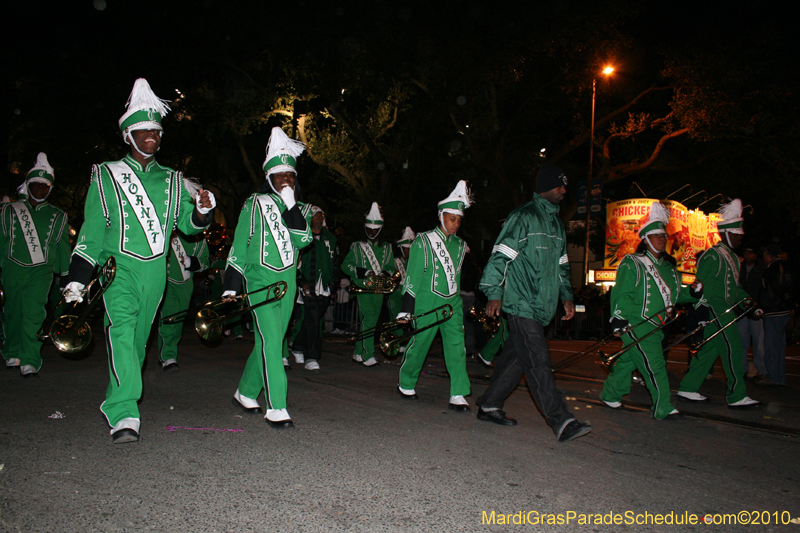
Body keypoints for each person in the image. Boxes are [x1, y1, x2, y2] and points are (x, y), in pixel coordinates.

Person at [64, 79, 216, 444]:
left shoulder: (174, 179)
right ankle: (124, 411)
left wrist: (202, 212)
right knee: (120, 333)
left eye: (156, 131)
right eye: (143, 131)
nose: (152, 136)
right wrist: (78, 278)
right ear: (127, 135)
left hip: (156, 274)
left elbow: (187, 227)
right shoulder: (105, 174)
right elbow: (93, 230)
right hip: (119, 270)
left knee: (135, 342)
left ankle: (122, 395)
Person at [476, 163, 591, 442]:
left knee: (517, 359)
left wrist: (566, 297)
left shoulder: (556, 224)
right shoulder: (523, 217)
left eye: (566, 185)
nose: (564, 190)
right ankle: (561, 421)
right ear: (544, 187)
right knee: (538, 360)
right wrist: (494, 291)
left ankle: (489, 404)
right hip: (520, 302)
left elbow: (562, 266)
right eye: (559, 184)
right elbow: (500, 256)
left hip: (542, 306)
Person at [223, 126, 312, 429]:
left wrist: (290, 204)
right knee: (273, 343)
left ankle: (245, 391)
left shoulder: (297, 210)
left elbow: (304, 240)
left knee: (267, 341)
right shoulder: (254, 204)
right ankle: (277, 406)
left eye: (290, 176)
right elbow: (239, 247)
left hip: (287, 285)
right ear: (269, 179)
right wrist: (231, 287)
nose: (286, 180)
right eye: (280, 176)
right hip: (260, 283)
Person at [599, 203, 698, 419]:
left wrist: (693, 292)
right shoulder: (633, 262)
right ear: (646, 239)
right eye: (656, 235)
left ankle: (610, 393)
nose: (662, 239)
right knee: (655, 364)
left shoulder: (670, 269)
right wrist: (619, 317)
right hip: (636, 322)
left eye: (664, 235)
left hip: (657, 325)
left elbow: (674, 296)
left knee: (630, 360)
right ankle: (662, 406)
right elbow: (623, 292)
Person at [677, 199, 760, 409]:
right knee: (733, 349)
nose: (741, 238)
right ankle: (736, 395)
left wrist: (747, 301)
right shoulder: (712, 256)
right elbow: (701, 288)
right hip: (716, 311)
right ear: (726, 233)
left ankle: (688, 387)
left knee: (708, 352)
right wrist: (703, 313)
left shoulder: (732, 257)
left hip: (726, 311)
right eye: (737, 234)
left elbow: (734, 287)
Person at [396, 181, 472, 412]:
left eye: (459, 220)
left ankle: (458, 392)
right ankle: (406, 381)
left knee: (457, 346)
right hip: (427, 301)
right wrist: (407, 307)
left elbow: (457, 278)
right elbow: (413, 276)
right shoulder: (424, 240)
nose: (456, 224)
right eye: (452, 219)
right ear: (441, 216)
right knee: (420, 343)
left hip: (452, 302)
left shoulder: (461, 245)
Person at [1, 153, 71, 377]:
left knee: (33, 314)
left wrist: (66, 277)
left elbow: (62, 247)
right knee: (13, 311)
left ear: (50, 188)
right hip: (13, 267)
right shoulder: (9, 211)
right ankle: (12, 350)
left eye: (44, 185)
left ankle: (30, 358)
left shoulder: (58, 215)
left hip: (42, 270)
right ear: (28, 186)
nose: (40, 189)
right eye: (36, 185)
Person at [342, 202, 395, 367]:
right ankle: (368, 355)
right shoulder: (357, 246)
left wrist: (384, 273)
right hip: (363, 288)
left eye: (375, 230)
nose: (371, 232)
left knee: (368, 320)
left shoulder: (387, 248)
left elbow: (391, 267)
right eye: (369, 229)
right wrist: (364, 272)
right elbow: (346, 265)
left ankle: (358, 352)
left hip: (378, 289)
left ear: (380, 230)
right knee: (370, 318)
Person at [292, 206, 340, 371]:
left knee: (312, 319)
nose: (318, 219)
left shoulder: (330, 239)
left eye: (320, 216)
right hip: (308, 285)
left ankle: (297, 345)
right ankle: (311, 356)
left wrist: (334, 282)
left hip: (324, 286)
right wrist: (301, 281)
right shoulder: (302, 238)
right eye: (315, 217)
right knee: (313, 318)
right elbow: (295, 264)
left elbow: (335, 263)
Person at [156, 230, 210, 372]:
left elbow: (205, 261)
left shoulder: (200, 239)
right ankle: (167, 356)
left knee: (178, 322)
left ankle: (170, 350)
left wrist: (192, 262)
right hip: (167, 281)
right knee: (168, 319)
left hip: (186, 284)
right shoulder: (170, 230)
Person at [758, 244, 792, 386]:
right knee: (779, 345)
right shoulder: (787, 267)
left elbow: (770, 291)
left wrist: (763, 307)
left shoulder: (772, 269)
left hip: (774, 311)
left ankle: (773, 377)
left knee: (771, 346)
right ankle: (780, 376)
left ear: (768, 255)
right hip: (785, 309)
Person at [738, 245, 767, 378]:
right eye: (746, 253)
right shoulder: (740, 267)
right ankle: (743, 369)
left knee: (759, 343)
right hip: (742, 309)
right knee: (742, 342)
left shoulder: (762, 268)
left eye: (751, 253)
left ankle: (761, 370)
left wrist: (760, 305)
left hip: (756, 310)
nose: (748, 256)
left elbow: (764, 289)